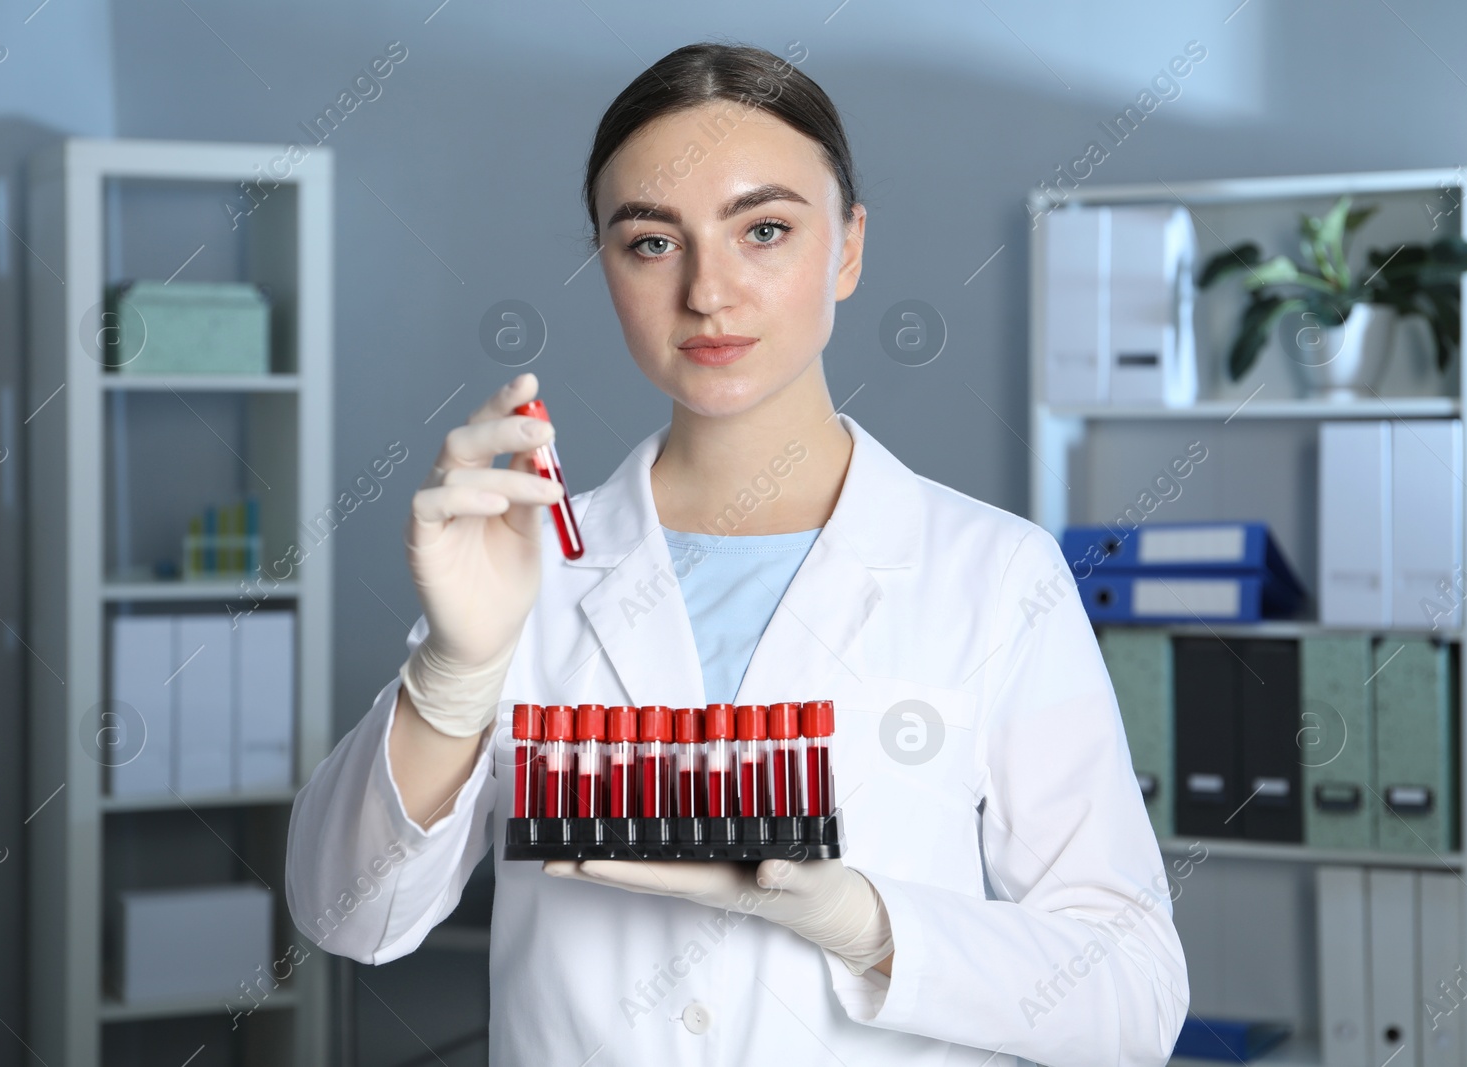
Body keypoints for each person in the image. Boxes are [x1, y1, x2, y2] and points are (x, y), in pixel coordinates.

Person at [286, 40, 1187, 1066]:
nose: (709, 292)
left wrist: (867, 922)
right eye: (651, 243)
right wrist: (453, 673)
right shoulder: (516, 566)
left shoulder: (993, 572)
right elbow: (347, 913)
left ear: (847, 249)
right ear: (606, 266)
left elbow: (1132, 996)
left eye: (763, 229)